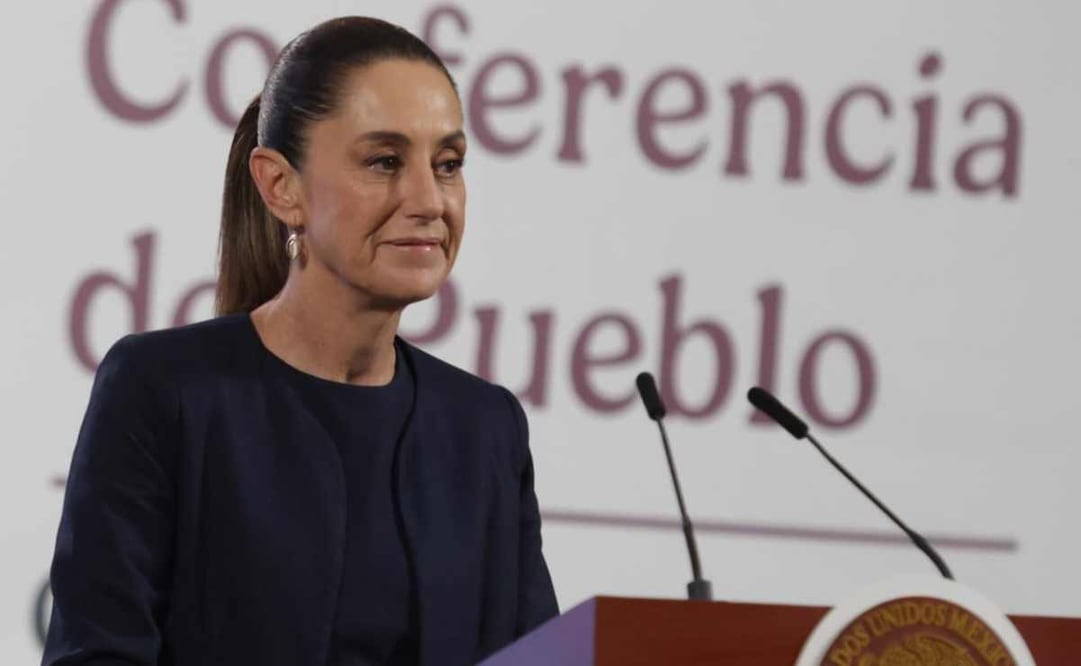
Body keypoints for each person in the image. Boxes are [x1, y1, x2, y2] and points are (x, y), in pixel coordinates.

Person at [43, 16, 558, 666]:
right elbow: (97, 651)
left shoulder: (486, 429)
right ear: (280, 186)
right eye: (384, 161)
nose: (429, 198)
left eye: (448, 164)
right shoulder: (161, 388)